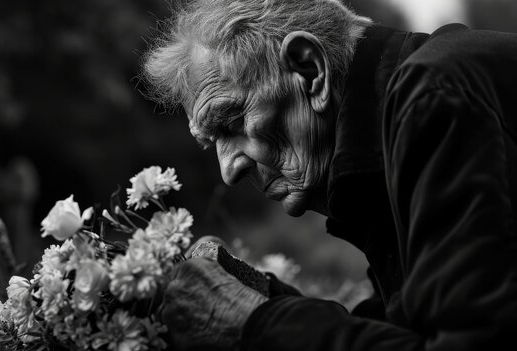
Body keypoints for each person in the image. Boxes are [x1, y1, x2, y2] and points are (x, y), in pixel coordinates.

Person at [141, 0, 517, 350]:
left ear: (309, 70)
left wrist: (254, 321)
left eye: (233, 122)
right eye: (213, 142)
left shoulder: (434, 95)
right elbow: (406, 333)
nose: (229, 171)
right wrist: (264, 298)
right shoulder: (391, 137)